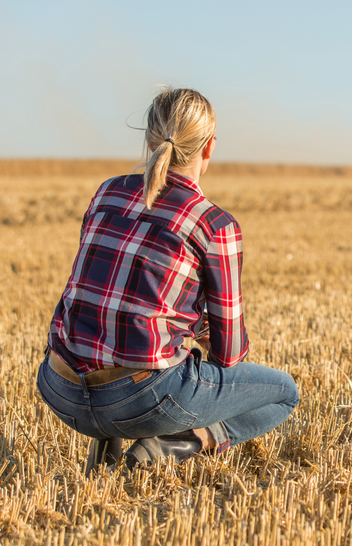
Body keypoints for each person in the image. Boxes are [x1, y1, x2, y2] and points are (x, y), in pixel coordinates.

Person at [36, 87, 299, 473]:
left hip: (60, 389)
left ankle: (107, 442)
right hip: (139, 401)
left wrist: (185, 321)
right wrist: (201, 330)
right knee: (283, 394)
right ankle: (181, 442)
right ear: (209, 148)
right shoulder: (214, 224)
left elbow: (116, 289)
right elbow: (228, 355)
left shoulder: (107, 192)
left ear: (148, 138)